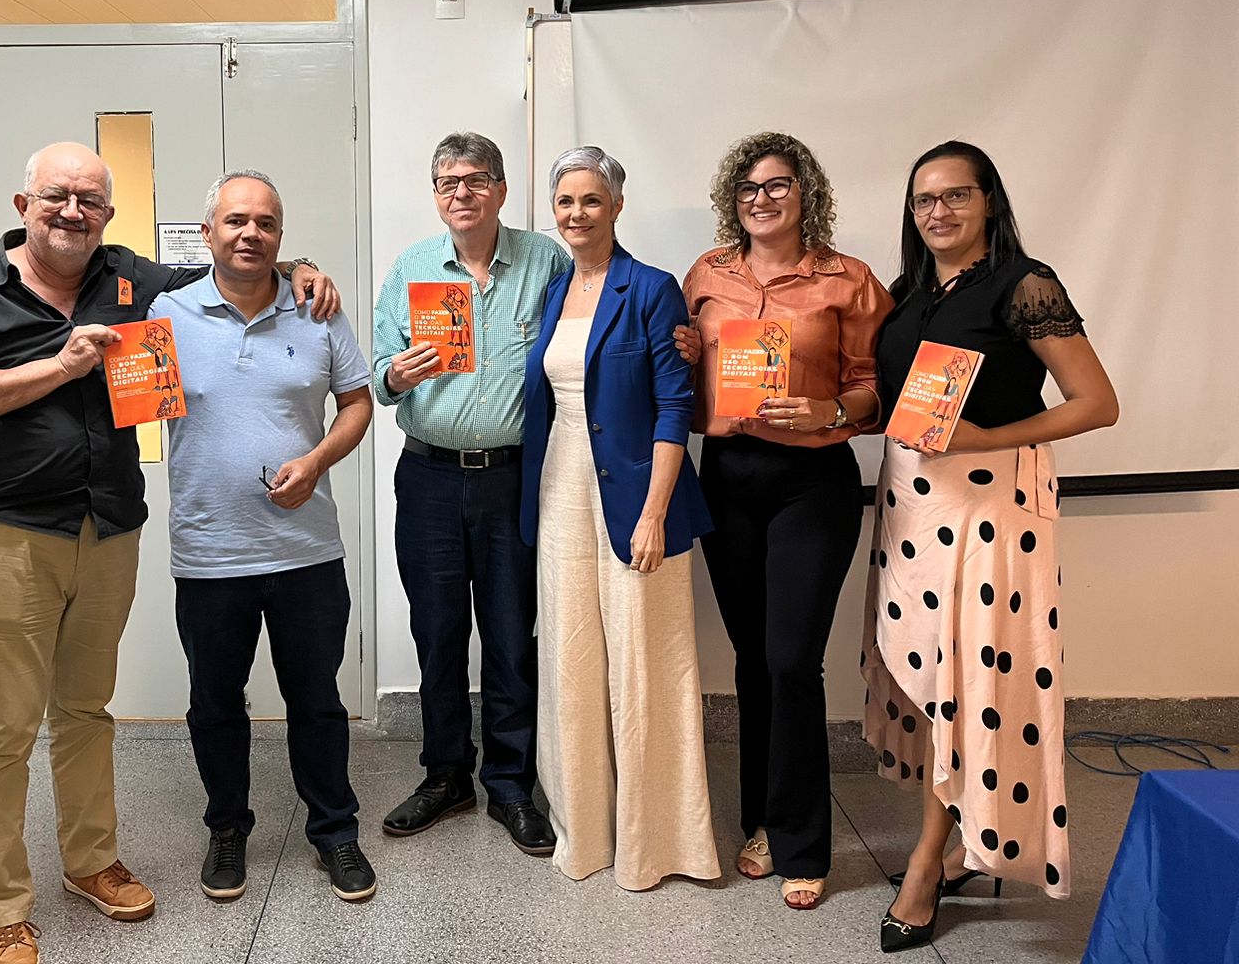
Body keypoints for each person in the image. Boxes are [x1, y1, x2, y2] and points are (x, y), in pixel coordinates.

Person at [0, 143, 338, 964]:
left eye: (90, 201)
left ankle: (90, 862)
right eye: (56, 196)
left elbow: (229, 262)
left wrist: (302, 266)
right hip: (7, 532)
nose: (73, 212)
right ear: (23, 205)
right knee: (3, 727)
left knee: (85, 710)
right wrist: (60, 364)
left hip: (106, 528)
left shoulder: (129, 276)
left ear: (108, 213)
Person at [866, 141, 1117, 953]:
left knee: (968, 684)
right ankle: (965, 839)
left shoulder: (1025, 284)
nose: (937, 212)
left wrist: (987, 437)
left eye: (955, 196)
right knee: (929, 680)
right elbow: (893, 400)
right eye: (924, 200)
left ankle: (928, 864)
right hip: (911, 508)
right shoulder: (908, 291)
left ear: (989, 202)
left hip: (987, 512)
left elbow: (1096, 402)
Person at [145, 170, 378, 904]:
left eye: (267, 223)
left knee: (317, 700)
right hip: (210, 551)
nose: (251, 233)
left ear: (282, 235)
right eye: (236, 220)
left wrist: (317, 461)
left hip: (307, 551)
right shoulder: (165, 313)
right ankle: (227, 827)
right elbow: (123, 401)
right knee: (214, 703)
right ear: (207, 232)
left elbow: (358, 402)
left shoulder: (317, 308)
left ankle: (335, 830)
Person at [682, 131, 892, 911]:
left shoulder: (850, 280)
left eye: (777, 185)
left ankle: (804, 844)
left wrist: (830, 409)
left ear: (806, 193)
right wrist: (682, 353)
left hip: (812, 481)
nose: (762, 199)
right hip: (728, 476)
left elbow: (880, 387)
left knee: (792, 659)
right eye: (748, 189)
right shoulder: (707, 274)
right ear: (731, 200)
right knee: (752, 659)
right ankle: (763, 821)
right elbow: (682, 378)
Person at [520, 146, 720, 889]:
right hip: (559, 489)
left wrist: (655, 513)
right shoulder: (554, 289)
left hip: (638, 495)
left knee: (645, 664)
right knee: (570, 661)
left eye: (591, 200)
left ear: (617, 206)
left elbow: (674, 406)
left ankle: (656, 842)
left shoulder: (653, 288)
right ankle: (586, 831)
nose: (577, 213)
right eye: (565, 201)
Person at [372, 131, 567, 854]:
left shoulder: (547, 261)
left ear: (502, 190)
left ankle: (510, 783)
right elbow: (377, 377)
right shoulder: (413, 267)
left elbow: (586, 340)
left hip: (514, 477)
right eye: (448, 182)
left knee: (512, 634)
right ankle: (446, 773)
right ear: (435, 195)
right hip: (428, 477)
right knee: (438, 632)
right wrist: (398, 375)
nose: (462, 192)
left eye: (477, 179)